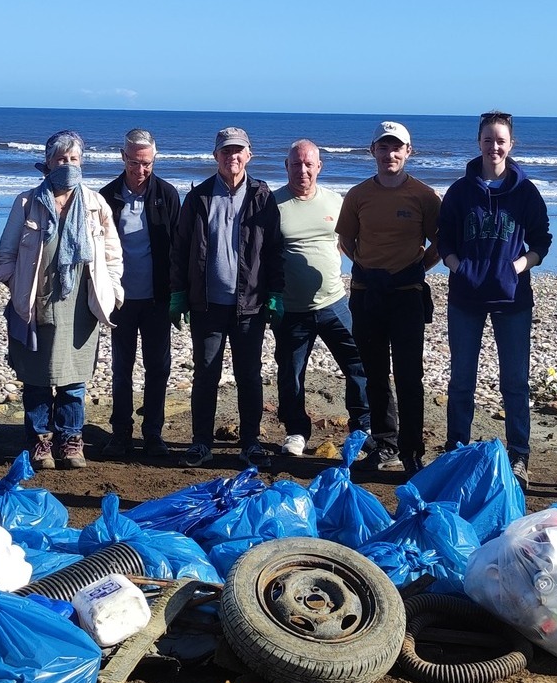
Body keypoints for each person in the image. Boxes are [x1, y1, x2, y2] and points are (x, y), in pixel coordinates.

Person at [0, 131, 123, 471]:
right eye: (61, 159)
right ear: (48, 163)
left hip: (81, 304)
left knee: (74, 378)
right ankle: (40, 440)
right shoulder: (27, 202)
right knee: (36, 376)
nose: (67, 164)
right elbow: (6, 254)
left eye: (73, 159)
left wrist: (113, 290)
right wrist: (17, 286)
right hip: (35, 303)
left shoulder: (95, 204)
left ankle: (70, 438)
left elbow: (112, 255)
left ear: (82, 162)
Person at [437, 111, 552, 489]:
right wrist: (458, 267)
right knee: (461, 380)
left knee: (515, 381)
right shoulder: (460, 191)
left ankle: (519, 454)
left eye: (501, 140)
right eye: (488, 140)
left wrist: (516, 266)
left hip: (512, 299)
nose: (494, 147)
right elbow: (444, 239)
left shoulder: (525, 191)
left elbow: (542, 240)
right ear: (479, 142)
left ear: (511, 144)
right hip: (465, 298)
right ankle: (456, 449)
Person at [169, 126, 284, 469]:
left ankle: (251, 443)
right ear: (215, 155)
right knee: (206, 374)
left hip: (249, 305)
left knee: (249, 374)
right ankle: (201, 443)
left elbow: (275, 249)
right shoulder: (199, 196)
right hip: (207, 304)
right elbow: (180, 248)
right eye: (226, 151)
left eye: (238, 150)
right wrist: (179, 293)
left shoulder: (262, 196)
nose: (232, 156)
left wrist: (275, 293)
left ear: (249, 155)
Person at [336, 121, 440, 476]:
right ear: (373, 151)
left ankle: (411, 450)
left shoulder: (424, 195)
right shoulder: (358, 195)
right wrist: (369, 270)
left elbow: (440, 242)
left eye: (396, 147)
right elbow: (346, 241)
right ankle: (386, 445)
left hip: (407, 296)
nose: (389, 154)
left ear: (408, 152)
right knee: (375, 375)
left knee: (410, 376)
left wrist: (414, 269)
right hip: (367, 296)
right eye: (383, 147)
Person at [272, 139, 370, 457]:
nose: (302, 170)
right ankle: (296, 431)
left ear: (319, 167)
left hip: (334, 302)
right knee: (291, 372)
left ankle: (363, 427)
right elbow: (261, 254)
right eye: (296, 164)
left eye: (308, 164)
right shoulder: (272, 205)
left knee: (358, 364)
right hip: (291, 308)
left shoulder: (334, 201)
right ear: (286, 167)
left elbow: (347, 242)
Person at [98, 127, 180, 458]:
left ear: (154, 159)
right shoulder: (106, 196)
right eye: (134, 162)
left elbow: (178, 248)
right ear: (123, 157)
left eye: (147, 163)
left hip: (157, 298)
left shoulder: (167, 195)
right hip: (120, 299)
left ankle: (153, 432)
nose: (140, 170)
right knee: (122, 368)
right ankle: (121, 432)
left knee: (158, 367)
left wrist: (179, 295)